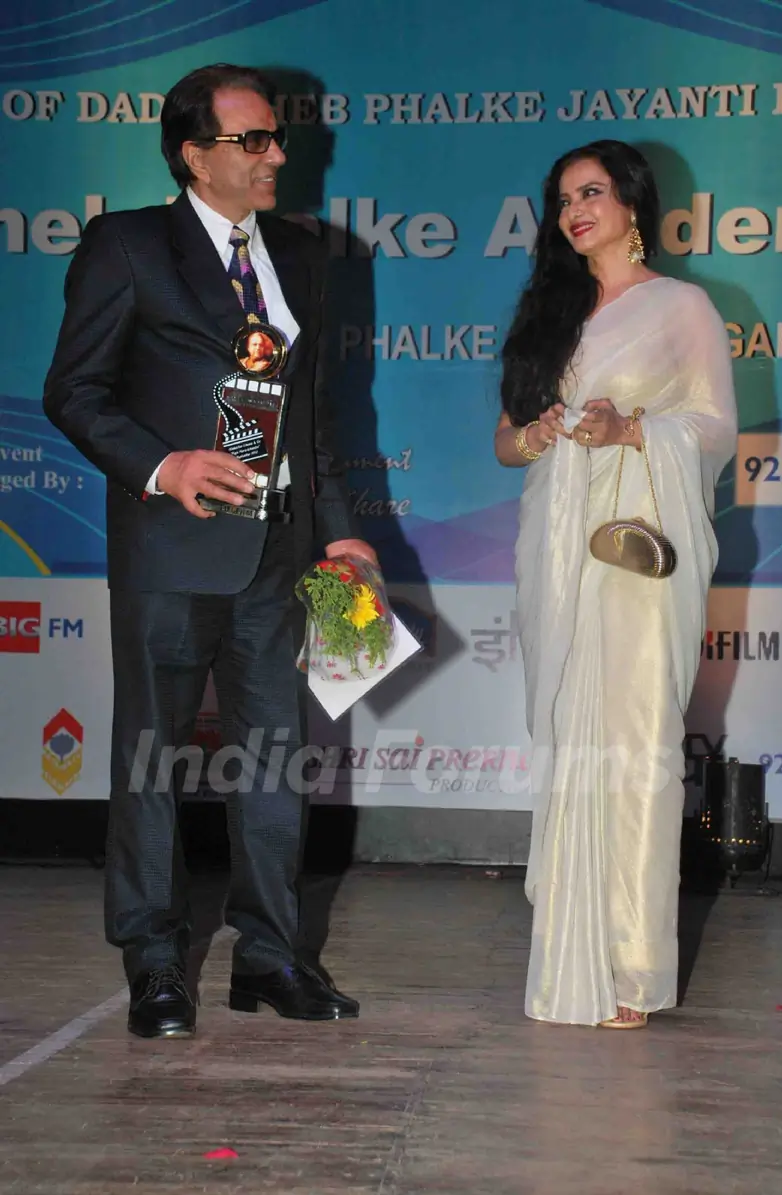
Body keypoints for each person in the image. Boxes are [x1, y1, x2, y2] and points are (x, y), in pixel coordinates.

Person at [43, 63, 377, 1039]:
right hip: (170, 549)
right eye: (253, 140)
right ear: (194, 153)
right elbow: (75, 392)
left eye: (277, 138)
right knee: (151, 762)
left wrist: (344, 526)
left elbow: (313, 414)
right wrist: (163, 465)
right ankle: (155, 964)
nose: (277, 154)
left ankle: (270, 955)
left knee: (276, 762)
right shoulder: (127, 245)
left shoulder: (308, 254)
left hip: (281, 554)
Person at [495, 140, 737, 1028]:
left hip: (639, 555)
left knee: (633, 746)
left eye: (592, 193)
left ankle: (631, 969)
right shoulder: (549, 313)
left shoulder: (683, 308)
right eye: (562, 198)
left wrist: (631, 427)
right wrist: (547, 429)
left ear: (634, 205)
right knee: (571, 740)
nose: (574, 210)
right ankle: (573, 954)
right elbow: (505, 439)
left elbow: (713, 430)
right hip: (556, 548)